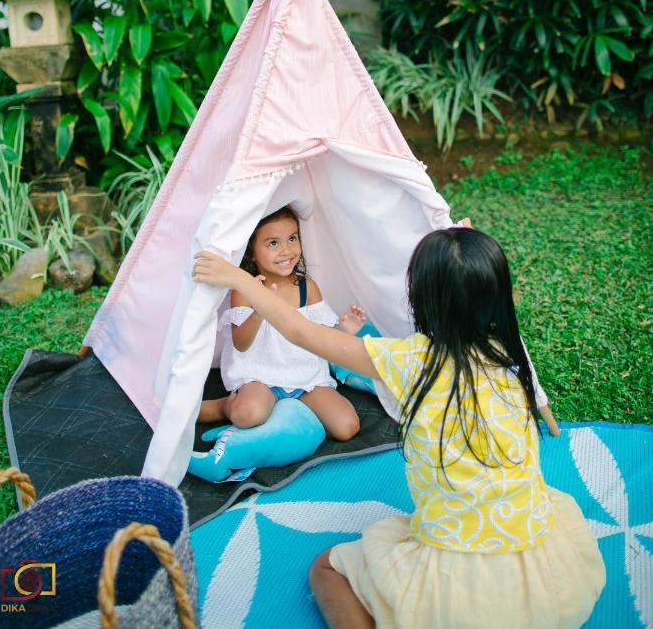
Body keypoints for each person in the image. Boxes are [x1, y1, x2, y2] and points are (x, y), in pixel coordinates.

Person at [192, 227, 605, 629]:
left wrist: (237, 277)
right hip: (548, 580)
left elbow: (301, 331)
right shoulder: (504, 353)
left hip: (455, 591)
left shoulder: (409, 362)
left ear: (420, 298)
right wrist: (473, 251)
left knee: (326, 569)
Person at [198, 205, 365, 441]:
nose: (286, 250)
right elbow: (242, 344)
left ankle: (288, 413)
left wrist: (346, 332)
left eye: (292, 238)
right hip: (260, 376)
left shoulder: (307, 287)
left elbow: (323, 339)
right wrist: (259, 311)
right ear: (252, 252)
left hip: (305, 375)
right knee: (248, 414)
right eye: (273, 243)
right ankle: (224, 406)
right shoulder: (245, 289)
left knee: (347, 427)